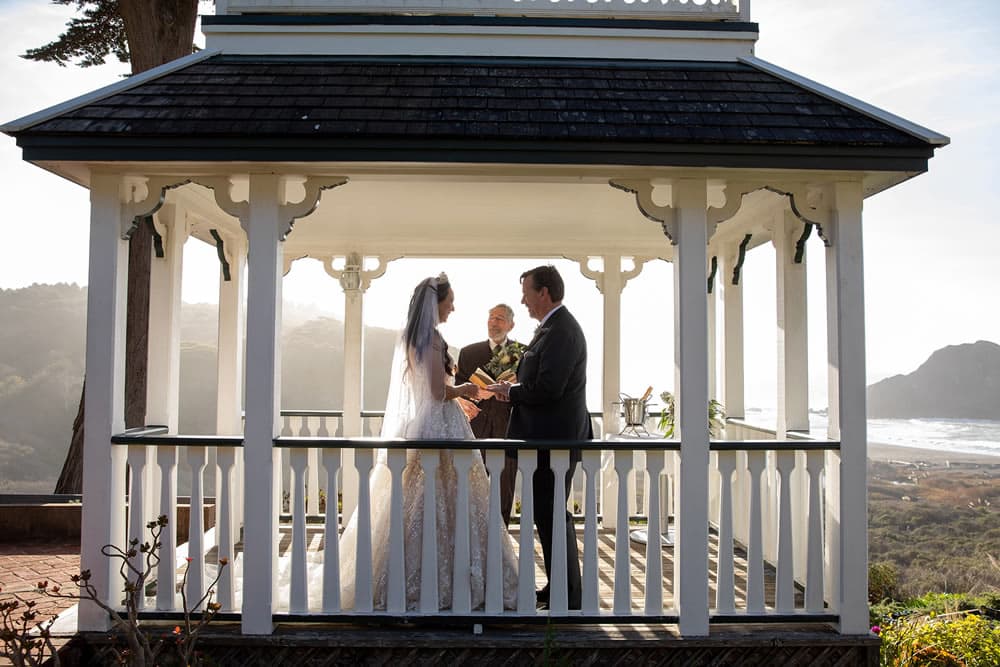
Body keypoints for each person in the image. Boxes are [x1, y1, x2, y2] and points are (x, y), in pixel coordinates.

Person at [338, 273, 518, 611]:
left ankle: (423, 572)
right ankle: (449, 575)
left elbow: (428, 390)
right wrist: (465, 390)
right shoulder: (431, 338)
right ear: (436, 304)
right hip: (440, 427)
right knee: (446, 496)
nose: (453, 307)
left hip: (426, 423)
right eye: (450, 302)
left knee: (428, 498)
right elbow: (438, 391)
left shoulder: (414, 336)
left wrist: (458, 397)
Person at [490, 265, 589, 610]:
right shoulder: (552, 328)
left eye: (527, 293)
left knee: (551, 515)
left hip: (555, 442)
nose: (523, 300)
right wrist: (514, 390)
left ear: (544, 293)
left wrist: (512, 392)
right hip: (546, 440)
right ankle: (559, 586)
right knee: (547, 515)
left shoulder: (562, 330)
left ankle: (569, 594)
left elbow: (549, 388)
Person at [456, 304, 521, 527]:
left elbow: (531, 390)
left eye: (500, 319)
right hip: (477, 427)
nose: (493, 322)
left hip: (509, 427)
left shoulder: (522, 351)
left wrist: (513, 388)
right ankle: (473, 533)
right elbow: (458, 391)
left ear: (511, 325)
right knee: (473, 485)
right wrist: (477, 393)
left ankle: (501, 536)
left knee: (505, 486)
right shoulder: (469, 352)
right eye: (491, 317)